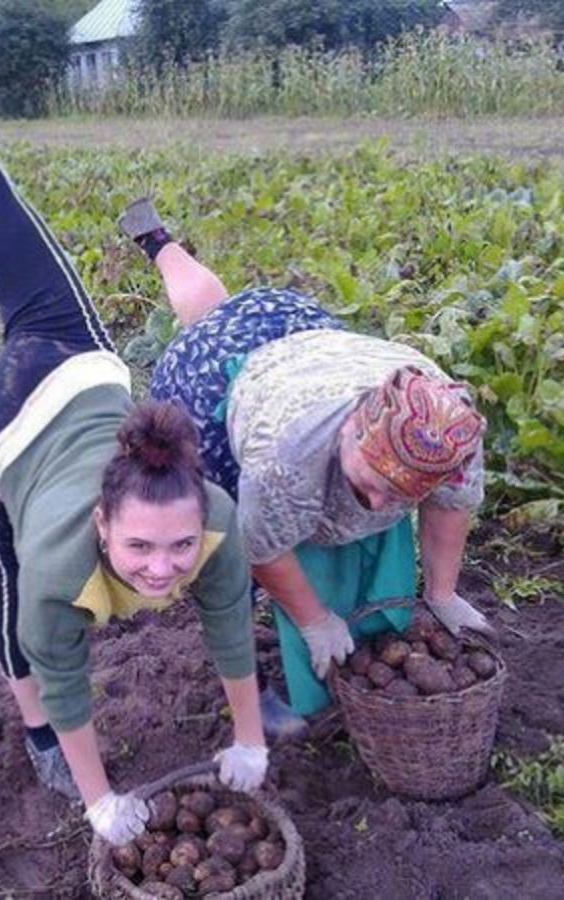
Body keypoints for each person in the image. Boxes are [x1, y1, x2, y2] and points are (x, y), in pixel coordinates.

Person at [0, 1, 268, 847]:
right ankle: (40, 739)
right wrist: (100, 800)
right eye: (139, 551)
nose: (163, 571)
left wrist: (249, 739)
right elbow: (68, 668)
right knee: (18, 599)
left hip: (73, 360)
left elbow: (230, 623)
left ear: (204, 518)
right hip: (3, 431)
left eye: (177, 549)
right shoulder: (63, 571)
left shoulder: (219, 527)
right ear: (100, 525)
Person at [120, 198, 493, 723]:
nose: (383, 504)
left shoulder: (449, 427)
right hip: (213, 386)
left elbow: (451, 504)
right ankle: (247, 678)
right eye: (376, 483)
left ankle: (159, 242)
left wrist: (443, 593)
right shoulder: (285, 460)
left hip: (297, 331)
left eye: (401, 495)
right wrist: (315, 620)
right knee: (222, 547)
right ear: (352, 432)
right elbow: (264, 548)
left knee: (215, 309)